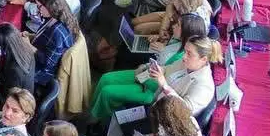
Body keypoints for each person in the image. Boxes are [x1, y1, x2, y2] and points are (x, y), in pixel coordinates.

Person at [89, 34, 217, 120]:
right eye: (185, 51)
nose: (184, 57)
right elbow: (168, 68)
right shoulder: (188, 62)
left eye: (189, 54)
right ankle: (91, 107)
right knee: (106, 78)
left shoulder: (204, 85)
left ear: (204, 59)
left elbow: (185, 111)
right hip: (153, 80)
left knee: (107, 92)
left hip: (157, 96)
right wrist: (153, 68)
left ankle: (97, 119)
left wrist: (164, 85)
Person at [31, 0, 79, 83]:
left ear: (49, 6)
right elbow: (45, 39)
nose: (38, 9)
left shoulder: (57, 32)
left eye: (39, 6)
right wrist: (30, 36)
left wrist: (28, 46)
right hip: (39, 56)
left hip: (42, 73)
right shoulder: (58, 16)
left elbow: (48, 63)